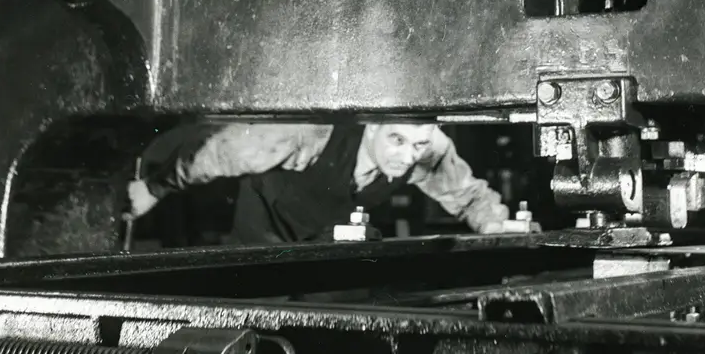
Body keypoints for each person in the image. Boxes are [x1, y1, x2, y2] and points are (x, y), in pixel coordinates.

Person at [124, 121, 525, 245]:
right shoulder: (308, 134)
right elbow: (220, 153)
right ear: (371, 126)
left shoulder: (426, 148)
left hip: (326, 231)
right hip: (267, 218)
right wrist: (153, 189)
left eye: (418, 144)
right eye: (397, 140)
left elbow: (465, 193)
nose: (407, 157)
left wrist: (492, 222)